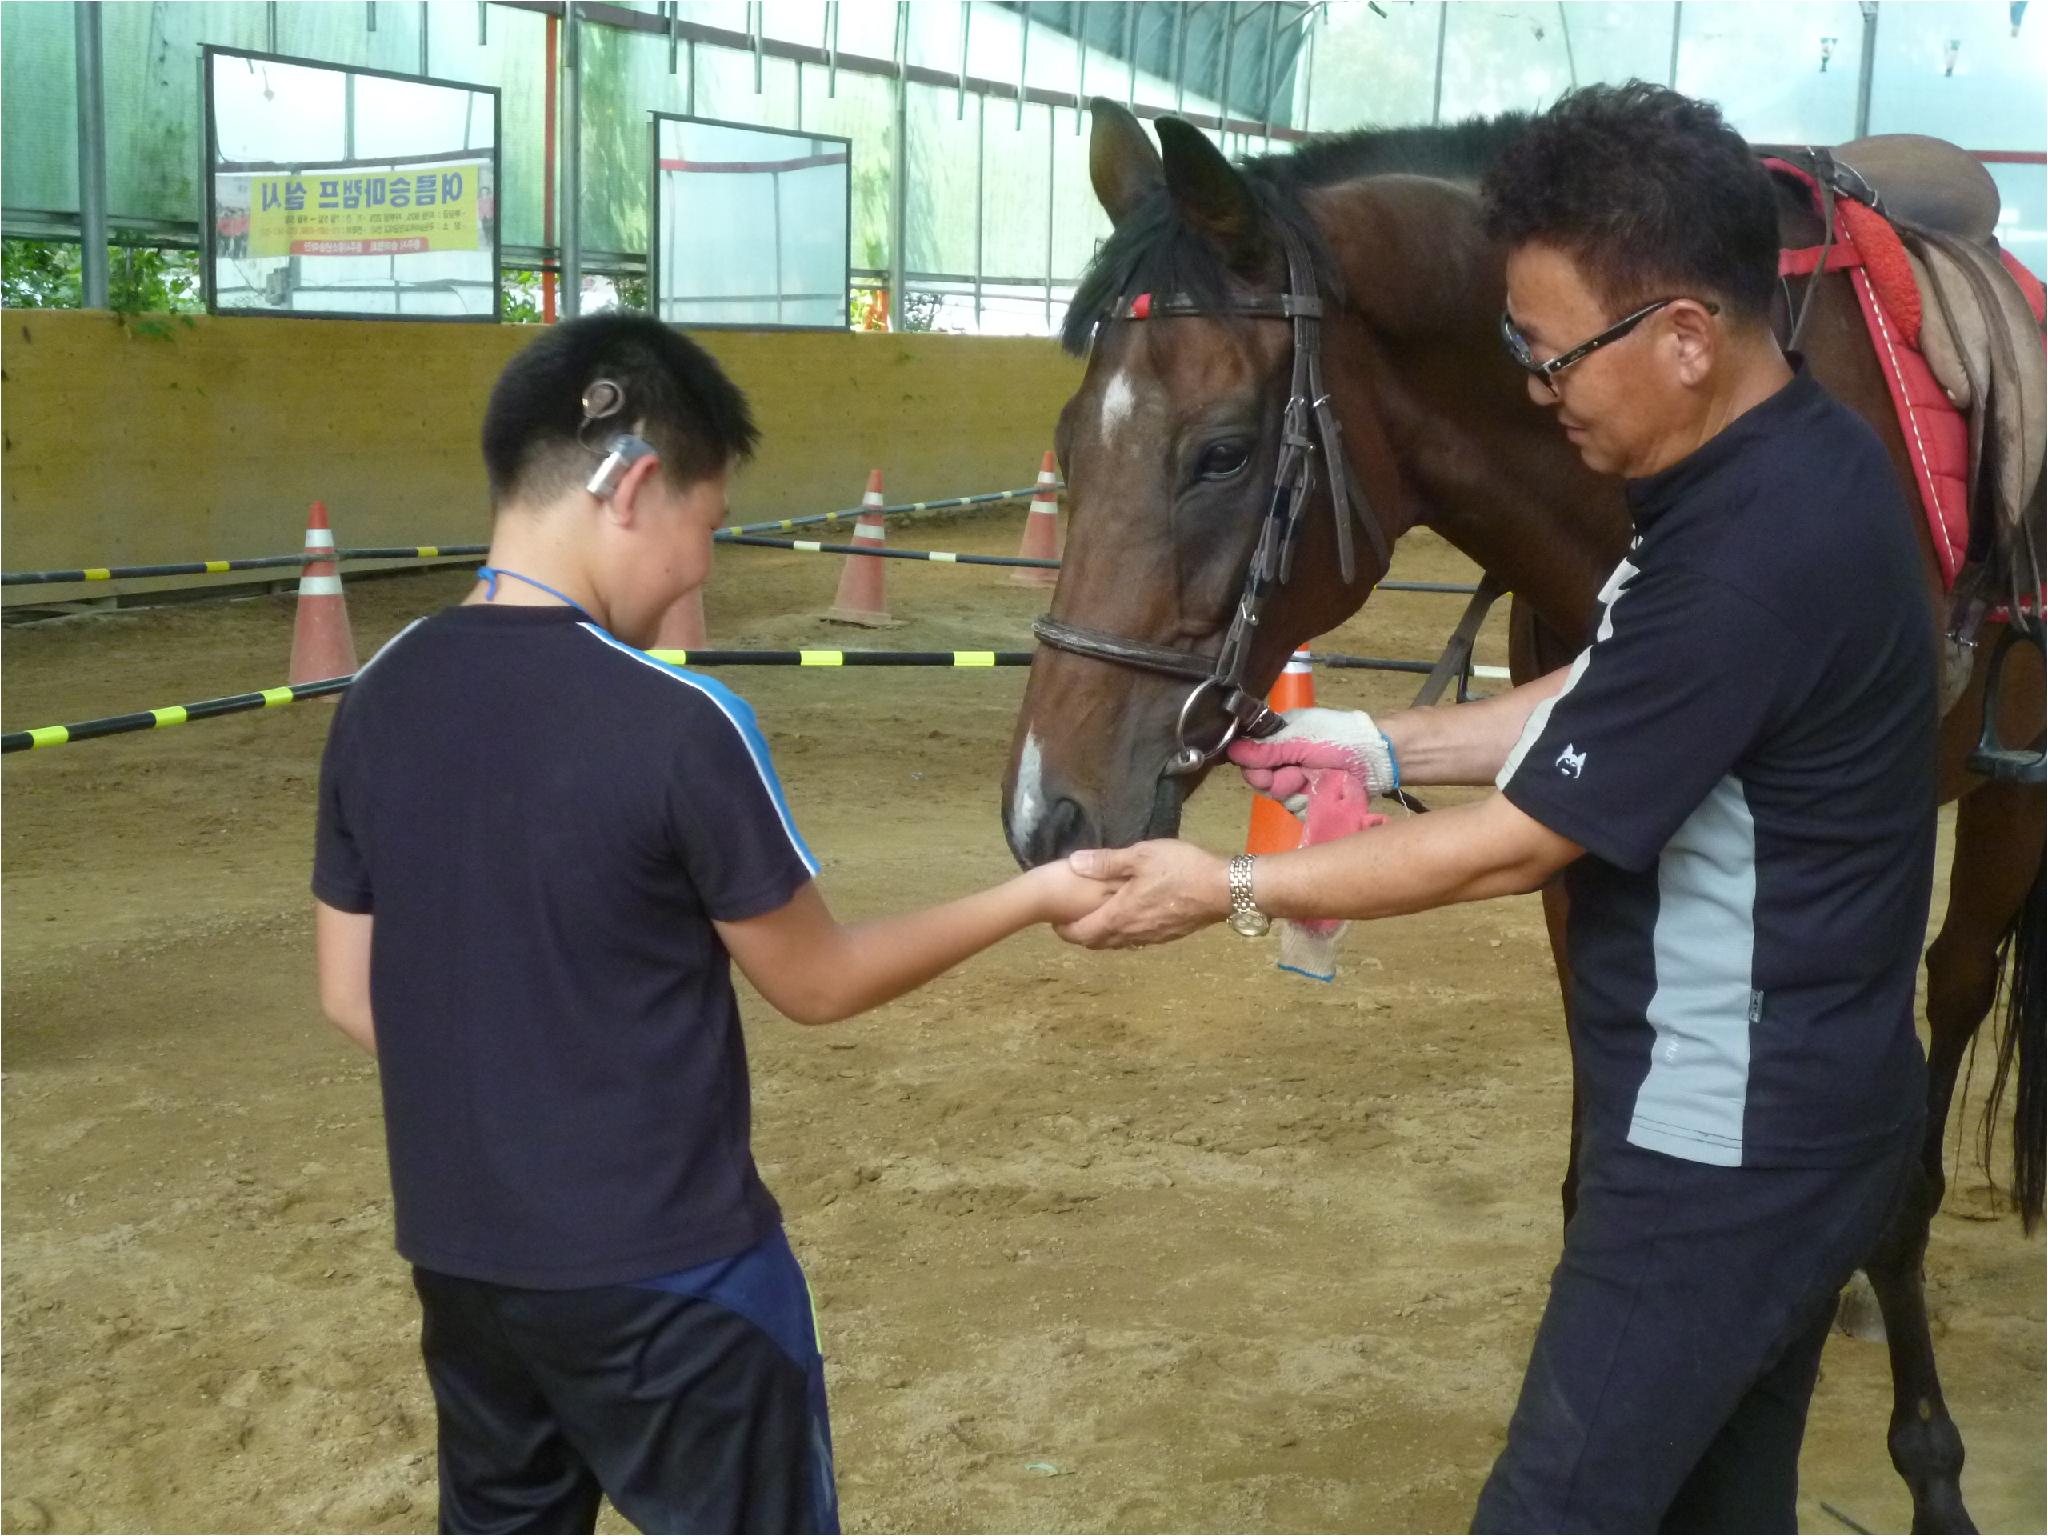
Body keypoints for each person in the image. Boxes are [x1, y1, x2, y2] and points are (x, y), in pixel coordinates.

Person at [1056, 82, 1935, 1532]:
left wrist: (1226, 889)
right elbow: (1608, 694)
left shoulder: (1753, 556)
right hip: (1808, 1125)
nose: (1533, 387)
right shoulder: (1767, 475)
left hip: (1720, 1156)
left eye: (1548, 353)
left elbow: (1526, 845)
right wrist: (1372, 746)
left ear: (1686, 338)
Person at [311, 313, 1112, 1535]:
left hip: (467, 1271)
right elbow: (819, 981)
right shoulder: (681, 722)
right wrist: (1034, 895)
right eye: (705, 527)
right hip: (678, 1283)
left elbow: (351, 996)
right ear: (631, 485)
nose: (699, 571)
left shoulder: (378, 696)